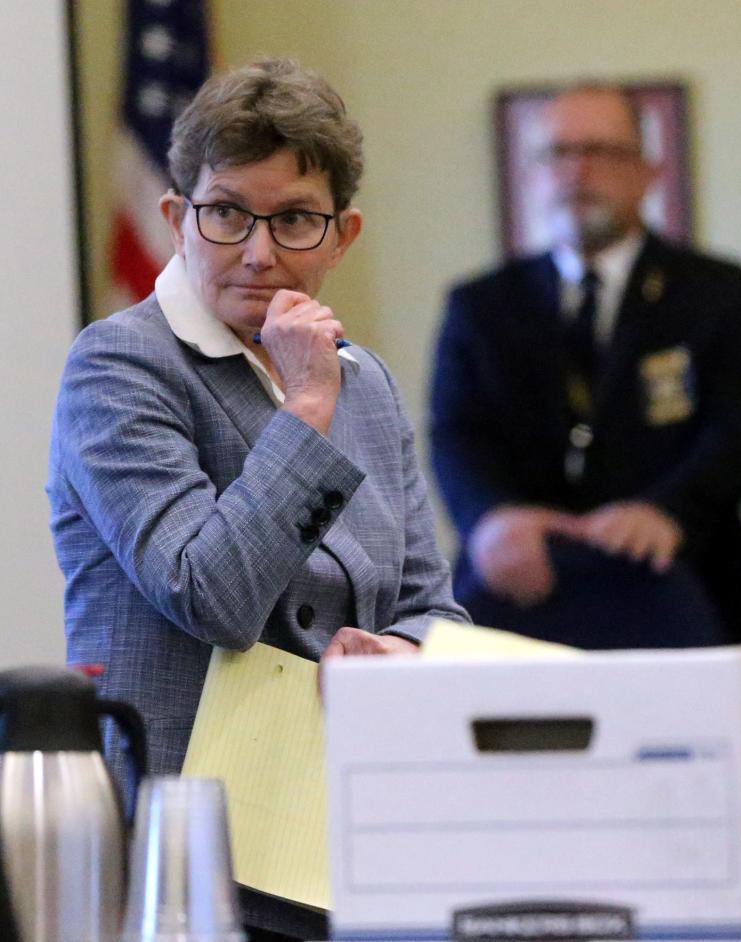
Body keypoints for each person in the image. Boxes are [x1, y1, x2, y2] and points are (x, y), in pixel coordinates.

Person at [47, 59, 468, 942]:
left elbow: (437, 606)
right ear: (176, 219)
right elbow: (212, 595)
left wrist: (394, 646)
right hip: (184, 853)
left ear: (342, 235)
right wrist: (307, 411)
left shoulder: (367, 382)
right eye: (228, 211)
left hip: (352, 832)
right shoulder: (119, 366)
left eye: (296, 219)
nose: (260, 249)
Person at [430, 84, 741, 648]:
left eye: (601, 150)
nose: (577, 170)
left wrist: (668, 512)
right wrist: (489, 518)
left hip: (688, 577)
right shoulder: (481, 305)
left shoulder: (727, 295)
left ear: (649, 170)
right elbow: (456, 433)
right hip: (515, 580)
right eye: (558, 153)